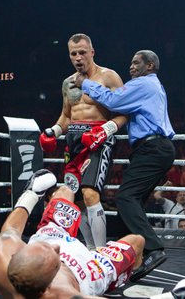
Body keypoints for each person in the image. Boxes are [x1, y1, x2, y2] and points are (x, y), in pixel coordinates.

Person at [75, 49, 175, 281]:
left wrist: (87, 84)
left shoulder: (144, 84)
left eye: (136, 63)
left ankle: (153, 249)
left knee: (126, 198)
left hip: (153, 148)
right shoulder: (151, 85)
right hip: (153, 150)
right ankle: (131, 253)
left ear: (149, 66)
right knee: (134, 200)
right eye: (130, 63)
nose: (130, 67)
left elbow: (114, 100)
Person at [0, 169, 144, 298]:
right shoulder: (63, 293)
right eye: (54, 254)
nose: (56, 248)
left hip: (53, 234)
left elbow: (10, 230)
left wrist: (31, 195)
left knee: (65, 191)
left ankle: (33, 193)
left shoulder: (0, 257)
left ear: (16, 256)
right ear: (47, 287)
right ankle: (130, 275)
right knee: (137, 241)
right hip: (91, 268)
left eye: (45, 247)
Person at [39, 33, 126, 249]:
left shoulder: (109, 77)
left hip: (98, 139)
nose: (78, 57)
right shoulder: (67, 83)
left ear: (92, 52)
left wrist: (105, 131)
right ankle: (90, 250)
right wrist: (54, 131)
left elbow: (125, 112)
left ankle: (101, 251)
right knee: (76, 199)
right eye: (73, 54)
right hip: (74, 142)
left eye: (82, 53)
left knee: (90, 193)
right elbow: (66, 116)